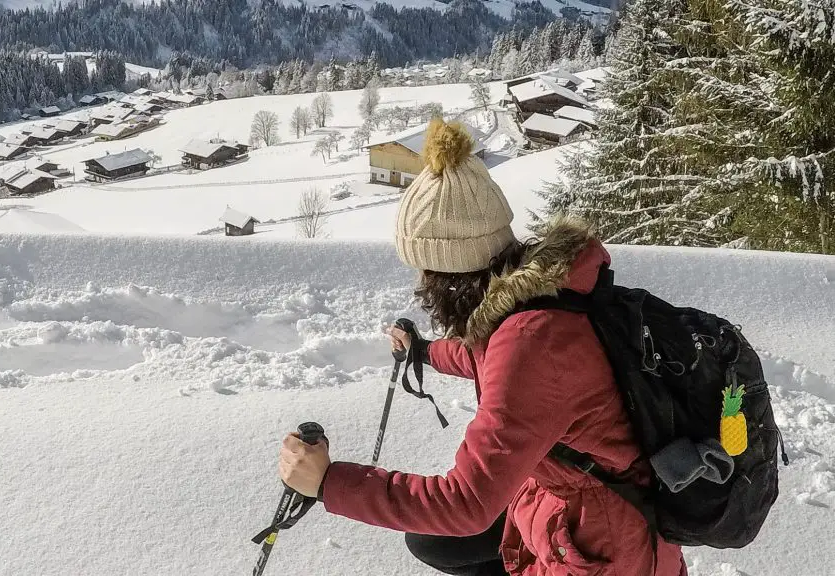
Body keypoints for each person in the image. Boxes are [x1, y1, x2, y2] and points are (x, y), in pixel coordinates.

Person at [277, 118, 687, 576]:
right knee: (434, 542)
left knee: (447, 530)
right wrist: (424, 351)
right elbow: (488, 357)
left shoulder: (534, 341)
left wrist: (329, 482)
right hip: (571, 503)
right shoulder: (544, 299)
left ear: (448, 274)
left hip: (603, 547)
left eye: (425, 272)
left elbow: (466, 503)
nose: (421, 286)